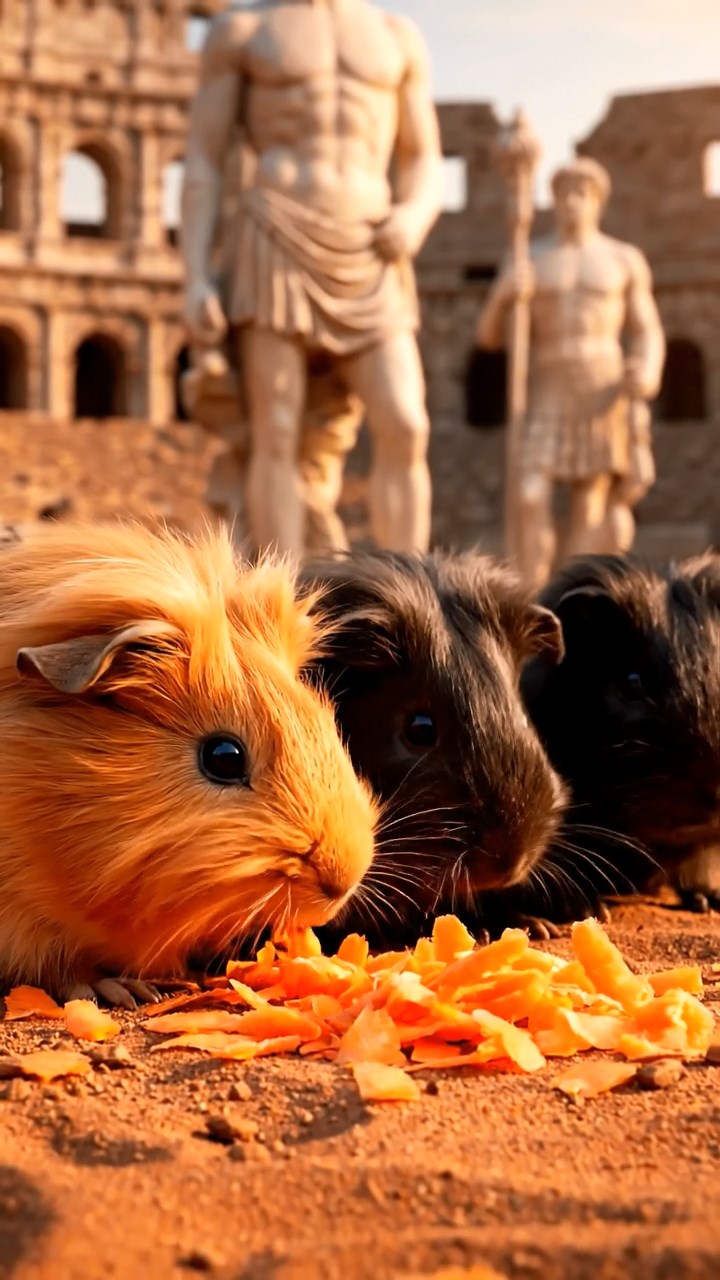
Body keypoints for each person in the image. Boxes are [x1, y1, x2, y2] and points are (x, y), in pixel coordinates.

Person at [181, 0, 443, 559]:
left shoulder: (396, 36)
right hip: (275, 234)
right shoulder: (244, 30)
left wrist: (415, 216)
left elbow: (424, 158)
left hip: (371, 245)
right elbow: (203, 159)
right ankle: (283, 588)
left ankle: (414, 584)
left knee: (405, 421)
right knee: (275, 428)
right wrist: (196, 275)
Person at [477, 156, 666, 588]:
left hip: (602, 387)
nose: (572, 203)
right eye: (563, 194)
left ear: (598, 200)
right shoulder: (530, 256)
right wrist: (503, 295)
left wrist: (648, 368)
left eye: (582, 194)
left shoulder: (623, 258)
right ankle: (530, 593)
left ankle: (572, 595)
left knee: (590, 505)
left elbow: (647, 329)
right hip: (549, 387)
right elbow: (489, 337)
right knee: (530, 493)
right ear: (552, 200)